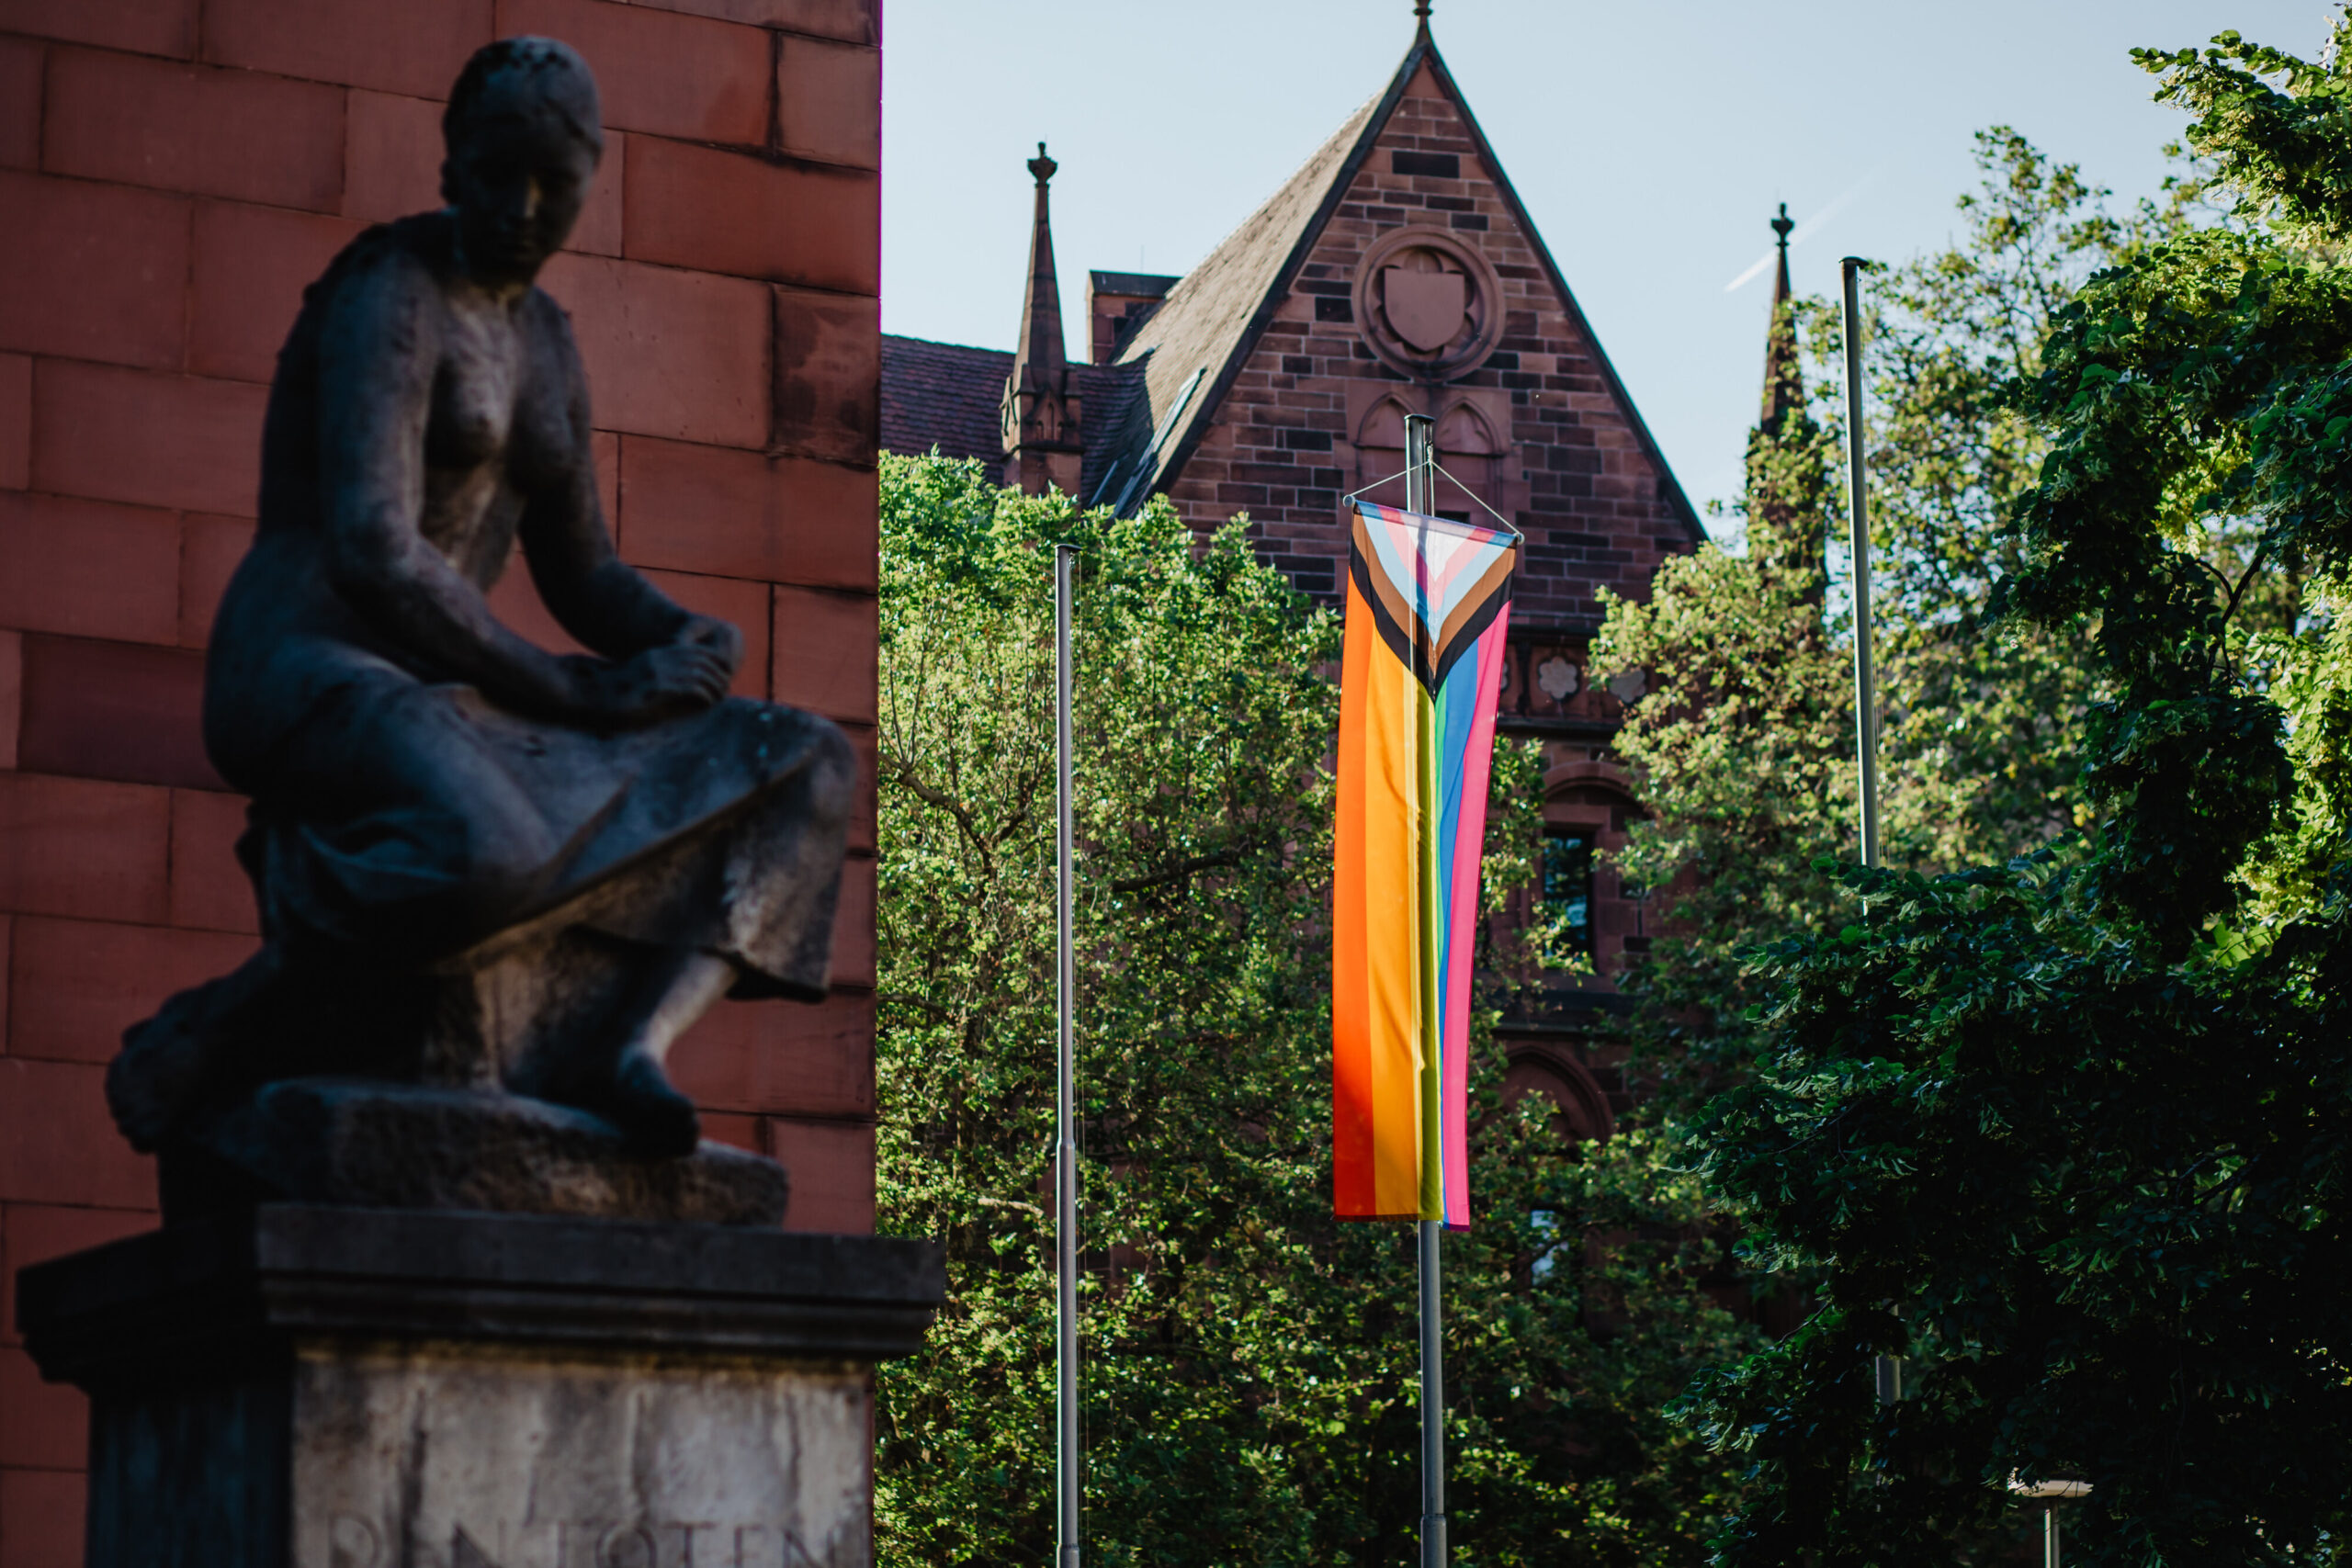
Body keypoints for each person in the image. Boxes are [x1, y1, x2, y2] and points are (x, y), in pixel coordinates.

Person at [107, 38, 852, 1159]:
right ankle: (251, 1011)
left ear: (592, 178)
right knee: (487, 853)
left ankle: (629, 1049)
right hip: (312, 664)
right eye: (500, 172)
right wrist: (573, 689)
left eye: (556, 182)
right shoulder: (389, 293)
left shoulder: (546, 339)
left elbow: (582, 569)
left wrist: (676, 638)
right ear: (451, 163)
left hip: (452, 680)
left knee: (802, 761)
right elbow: (373, 550)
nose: (524, 207)